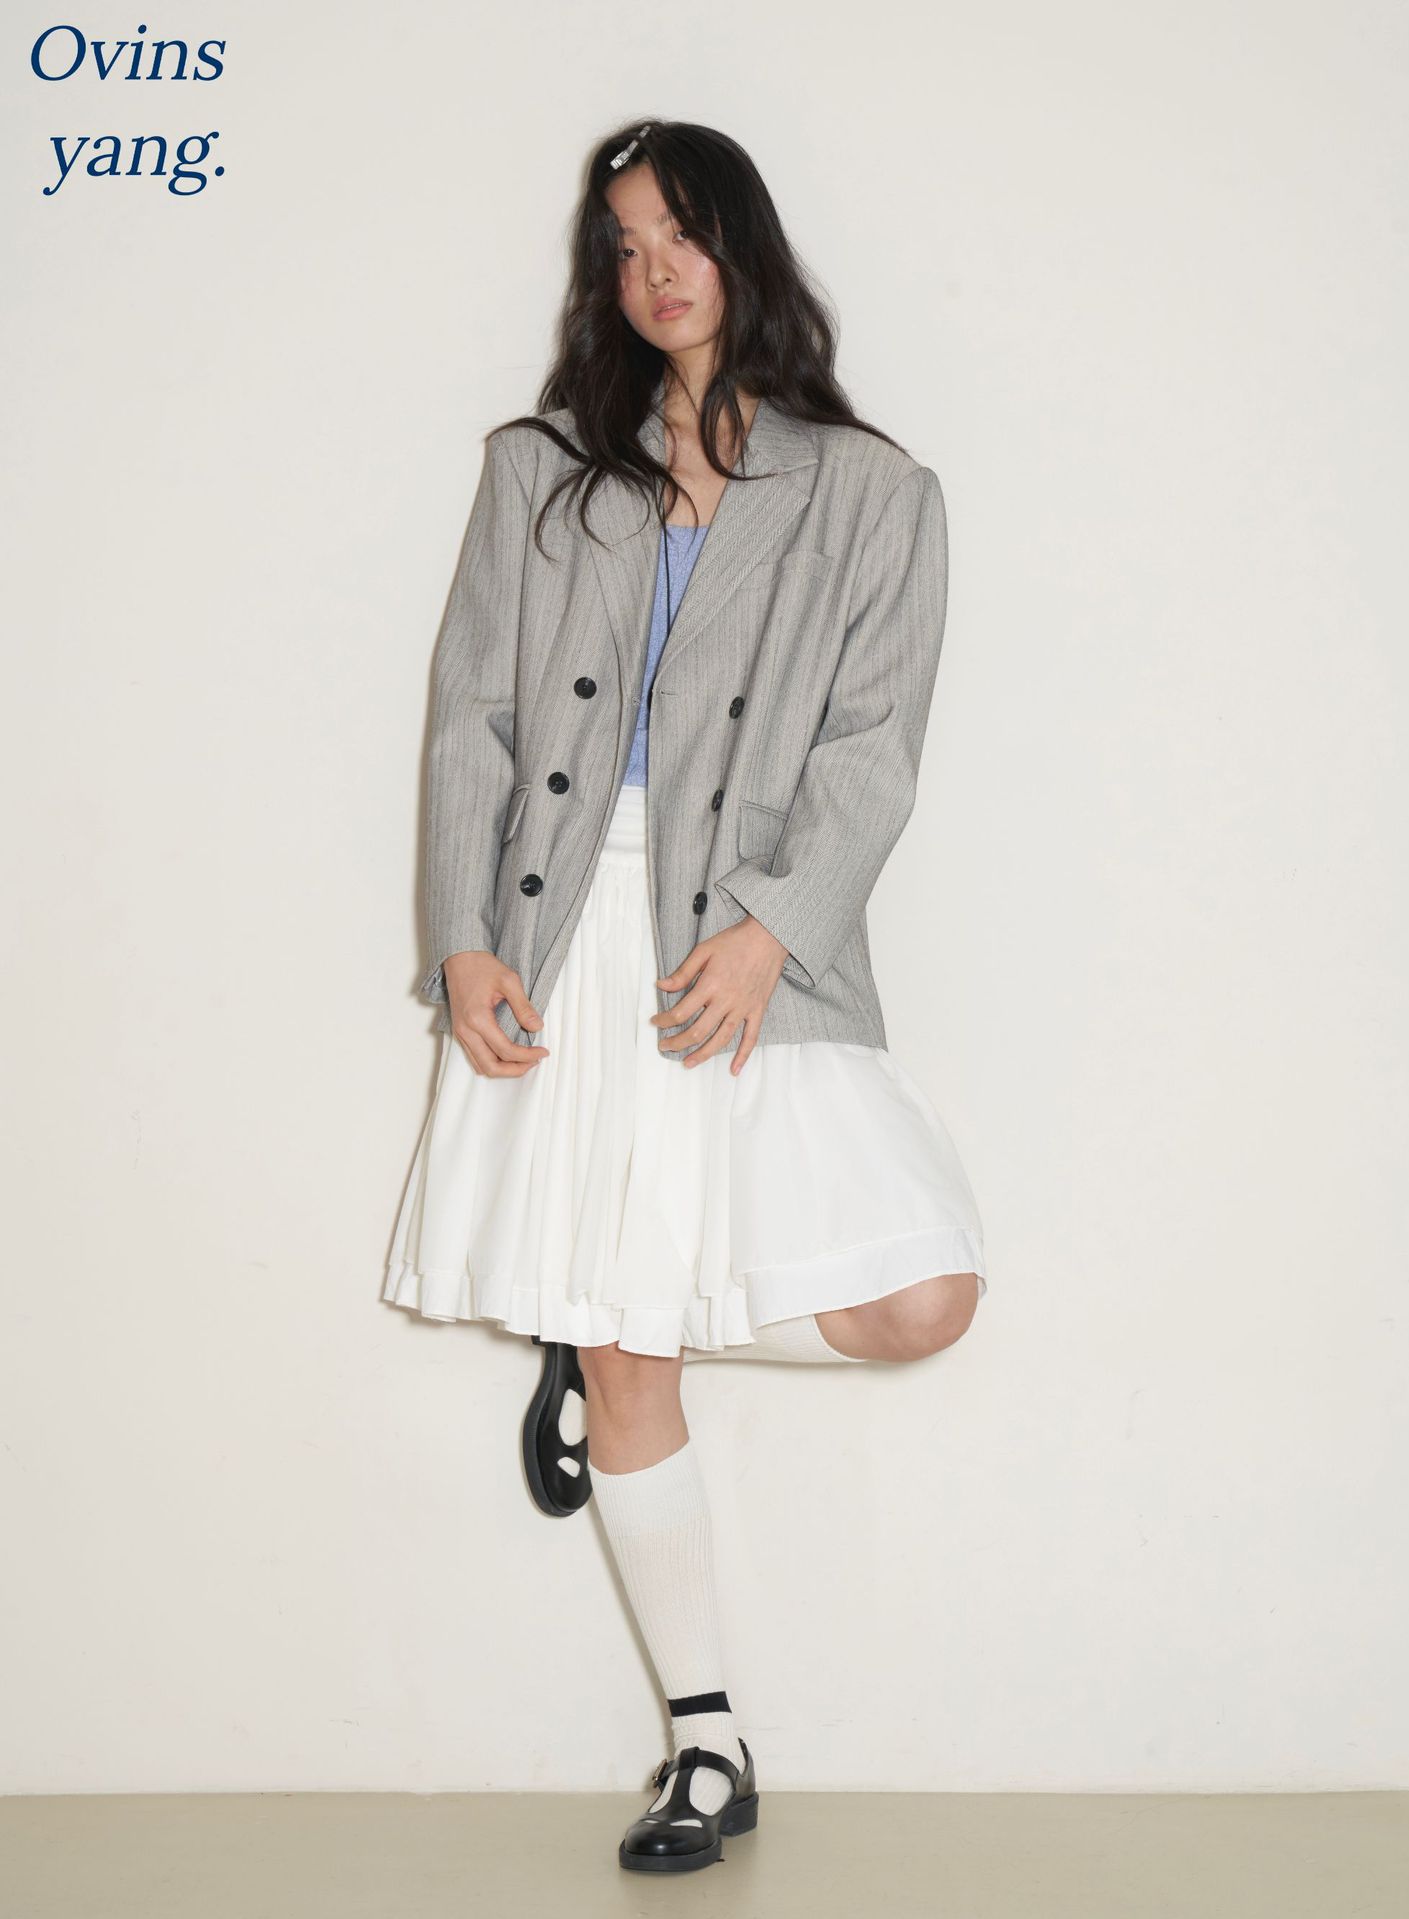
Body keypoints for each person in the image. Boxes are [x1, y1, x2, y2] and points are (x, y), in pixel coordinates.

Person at [383, 118, 990, 1874]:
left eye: (683, 234)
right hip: (560, 920)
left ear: (743, 247)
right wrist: (466, 938)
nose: (656, 270)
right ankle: (707, 1746)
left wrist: (774, 928)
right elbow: (469, 715)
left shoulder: (873, 493)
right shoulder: (542, 472)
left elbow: (875, 747)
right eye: (627, 243)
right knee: (633, 1343)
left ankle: (591, 1326)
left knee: (922, 1298)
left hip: (748, 937)